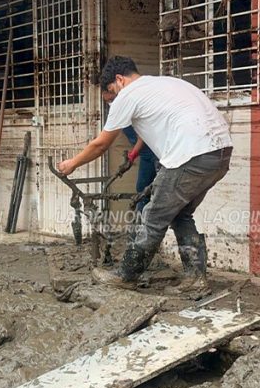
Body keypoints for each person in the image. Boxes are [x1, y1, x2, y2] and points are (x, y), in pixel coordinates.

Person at [57, 56, 232, 292]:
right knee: (180, 214)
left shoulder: (128, 95)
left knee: (153, 216)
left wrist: (72, 163)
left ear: (119, 80)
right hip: (219, 153)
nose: (112, 101)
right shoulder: (165, 84)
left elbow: (101, 144)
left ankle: (126, 275)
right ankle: (195, 278)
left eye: (111, 93)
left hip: (191, 154)